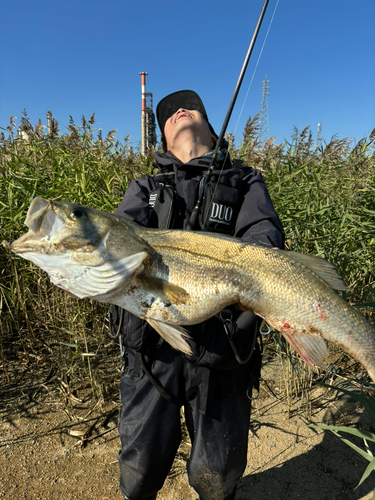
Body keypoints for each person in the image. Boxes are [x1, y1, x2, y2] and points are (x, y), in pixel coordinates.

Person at [110, 90, 284, 500]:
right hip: (151, 348)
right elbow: (114, 245)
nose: (179, 111)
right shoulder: (143, 188)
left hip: (225, 351)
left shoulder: (245, 180)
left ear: (208, 124)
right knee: (138, 469)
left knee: (218, 474)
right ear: (163, 140)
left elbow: (264, 236)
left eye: (189, 106)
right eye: (168, 113)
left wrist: (250, 277)